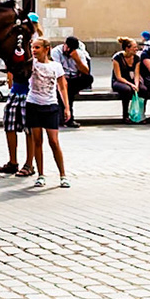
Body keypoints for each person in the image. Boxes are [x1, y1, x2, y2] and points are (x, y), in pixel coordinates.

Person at [22, 38, 70, 188]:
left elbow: (62, 87)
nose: (34, 50)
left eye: (37, 47)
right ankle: (41, 175)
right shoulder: (31, 64)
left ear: (46, 49)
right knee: (37, 141)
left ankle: (63, 175)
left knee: (54, 141)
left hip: (50, 106)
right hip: (33, 104)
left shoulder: (56, 66)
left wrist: (67, 107)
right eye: (32, 47)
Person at [53, 36, 92, 127]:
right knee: (68, 91)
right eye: (67, 47)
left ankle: (66, 118)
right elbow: (57, 71)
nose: (68, 50)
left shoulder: (79, 53)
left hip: (74, 80)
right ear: (64, 44)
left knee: (89, 78)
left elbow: (86, 71)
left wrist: (77, 60)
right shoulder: (56, 52)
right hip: (61, 79)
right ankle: (69, 119)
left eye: (71, 49)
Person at [110, 37, 143, 122]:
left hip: (132, 80)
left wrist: (136, 84)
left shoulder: (137, 58)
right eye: (134, 47)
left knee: (143, 89)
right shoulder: (117, 58)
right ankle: (125, 115)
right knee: (127, 90)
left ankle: (141, 113)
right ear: (127, 48)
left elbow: (136, 74)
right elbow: (118, 76)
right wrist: (131, 84)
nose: (136, 49)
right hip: (119, 81)